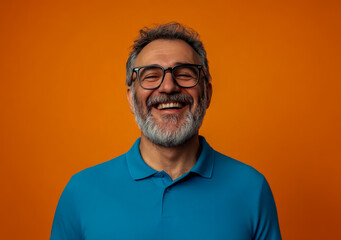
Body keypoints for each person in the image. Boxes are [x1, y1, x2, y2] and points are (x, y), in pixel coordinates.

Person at [50, 22, 282, 240]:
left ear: (207, 93)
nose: (168, 86)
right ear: (131, 99)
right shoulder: (81, 192)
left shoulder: (251, 188)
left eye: (184, 74)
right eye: (150, 76)